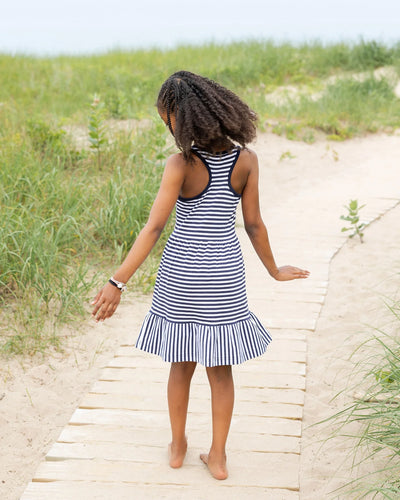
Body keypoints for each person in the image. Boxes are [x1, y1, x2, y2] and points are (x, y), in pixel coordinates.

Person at [91, 70, 309, 480]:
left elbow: (154, 227)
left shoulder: (181, 164)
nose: (168, 126)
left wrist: (116, 281)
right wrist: (274, 270)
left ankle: (177, 445)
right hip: (224, 275)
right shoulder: (246, 160)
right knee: (220, 368)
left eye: (167, 118)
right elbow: (254, 224)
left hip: (181, 275)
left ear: (183, 117)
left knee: (181, 362)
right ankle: (219, 456)